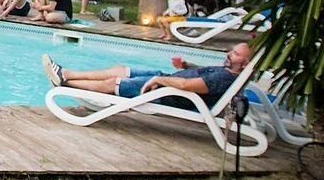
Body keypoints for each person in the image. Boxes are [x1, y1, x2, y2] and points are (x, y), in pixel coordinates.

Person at [41, 43, 253, 111]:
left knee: (111, 84)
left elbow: (187, 85)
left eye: (235, 54)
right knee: (119, 68)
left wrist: (159, 81)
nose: (229, 54)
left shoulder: (225, 80)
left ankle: (65, 82)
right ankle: (66, 73)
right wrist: (186, 65)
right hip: (165, 81)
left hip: (164, 93)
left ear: (243, 63)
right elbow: (199, 75)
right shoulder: (227, 72)